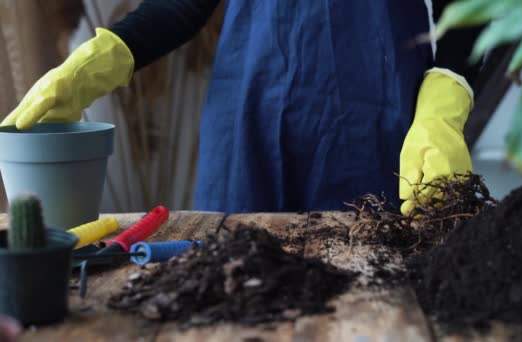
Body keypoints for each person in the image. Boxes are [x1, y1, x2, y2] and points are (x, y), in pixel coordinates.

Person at [1, 0, 482, 215]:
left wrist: (444, 105)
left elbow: (471, 13)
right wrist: (97, 63)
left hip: (373, 122)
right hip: (250, 121)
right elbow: (183, 6)